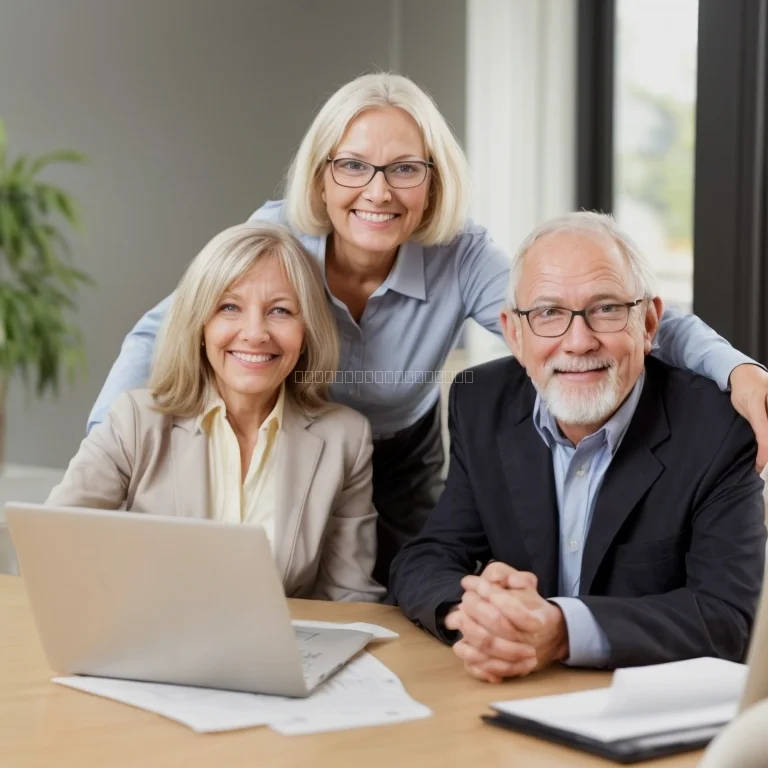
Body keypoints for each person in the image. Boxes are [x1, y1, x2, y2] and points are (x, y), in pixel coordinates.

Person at [86, 72, 768, 588]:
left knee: (393, 600)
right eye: (352, 165)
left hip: (402, 456)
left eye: (405, 168)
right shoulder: (274, 239)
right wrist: (106, 444)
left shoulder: (462, 257)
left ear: (434, 180)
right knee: (275, 587)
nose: (377, 192)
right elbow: (160, 332)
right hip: (300, 439)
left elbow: (589, 311)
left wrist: (734, 367)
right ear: (322, 178)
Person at [389, 212, 766, 681]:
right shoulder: (480, 402)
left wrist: (564, 630)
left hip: (642, 710)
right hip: (516, 695)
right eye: (548, 312)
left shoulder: (718, 428)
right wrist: (479, 615)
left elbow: (730, 617)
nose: (579, 341)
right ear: (514, 333)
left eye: (606, 308)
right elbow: (427, 557)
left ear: (648, 323)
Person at [48, 223, 384, 603]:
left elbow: (351, 597)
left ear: (306, 330)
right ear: (200, 324)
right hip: (151, 647)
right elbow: (53, 548)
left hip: (280, 656)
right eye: (229, 307)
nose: (255, 333)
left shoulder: (345, 438)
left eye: (280, 310)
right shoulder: (135, 419)